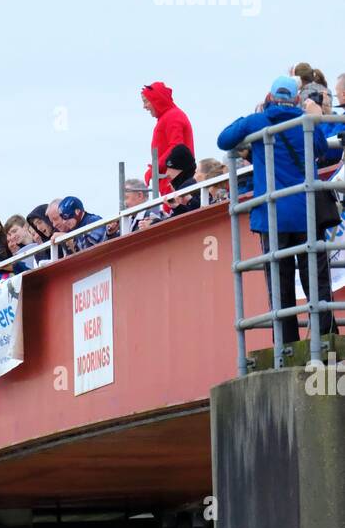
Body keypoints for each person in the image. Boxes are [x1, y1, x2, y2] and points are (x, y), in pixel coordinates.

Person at [218, 74, 338, 342]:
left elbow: (224, 140)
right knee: (315, 279)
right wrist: (315, 116)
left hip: (273, 217)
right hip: (306, 212)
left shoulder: (260, 121)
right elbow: (320, 148)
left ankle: (285, 343)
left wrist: (253, 115)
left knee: (279, 281)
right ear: (297, 99)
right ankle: (327, 335)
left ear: (270, 98)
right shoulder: (304, 121)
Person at [141, 82, 195, 190]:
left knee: (175, 206)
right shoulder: (169, 116)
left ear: (157, 99)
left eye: (146, 101)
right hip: (170, 181)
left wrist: (154, 169)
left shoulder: (173, 116)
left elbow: (176, 148)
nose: (144, 106)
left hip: (174, 182)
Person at [163, 145, 201, 215]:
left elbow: (195, 217)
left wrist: (154, 223)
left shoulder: (189, 187)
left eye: (170, 168)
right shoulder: (194, 185)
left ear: (181, 168)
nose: (166, 173)